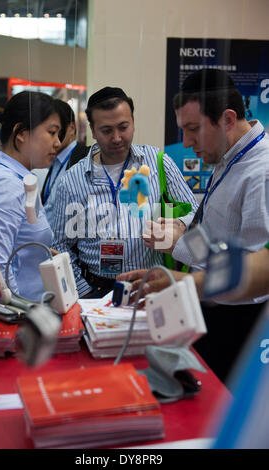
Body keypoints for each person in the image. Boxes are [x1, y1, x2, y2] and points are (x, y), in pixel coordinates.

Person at [120, 68, 269, 383]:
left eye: (193, 129)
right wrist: (182, 226)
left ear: (227, 120)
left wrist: (179, 247)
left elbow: (255, 272)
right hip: (212, 310)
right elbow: (218, 227)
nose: (186, 143)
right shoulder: (230, 155)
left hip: (240, 324)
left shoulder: (261, 173)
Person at [51, 86, 198, 298]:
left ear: (133, 124)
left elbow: (194, 209)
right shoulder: (72, 180)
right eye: (107, 130)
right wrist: (83, 292)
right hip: (95, 288)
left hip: (151, 285)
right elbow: (59, 245)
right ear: (92, 130)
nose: (117, 138)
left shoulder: (157, 163)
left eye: (123, 127)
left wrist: (179, 226)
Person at [0, 91, 66, 311]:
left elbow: (13, 242)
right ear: (21, 133)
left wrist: (38, 253)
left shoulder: (14, 177)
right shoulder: (6, 185)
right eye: (51, 133)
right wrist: (24, 317)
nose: (58, 143)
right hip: (15, 320)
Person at [41, 99, 90, 227]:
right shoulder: (54, 160)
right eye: (49, 132)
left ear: (72, 128)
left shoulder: (85, 160)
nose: (53, 139)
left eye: (56, 131)